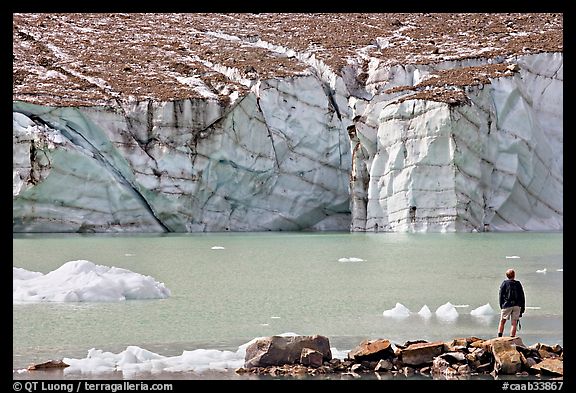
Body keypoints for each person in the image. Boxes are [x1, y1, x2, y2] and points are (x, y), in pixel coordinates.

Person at [497, 269, 525, 337]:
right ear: (514, 275)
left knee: (502, 321)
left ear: (507, 276)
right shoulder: (518, 283)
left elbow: (501, 295)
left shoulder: (505, 283)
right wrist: (522, 308)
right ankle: (512, 337)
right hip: (517, 305)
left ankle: (499, 336)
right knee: (514, 323)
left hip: (507, 305)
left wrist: (501, 306)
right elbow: (522, 296)